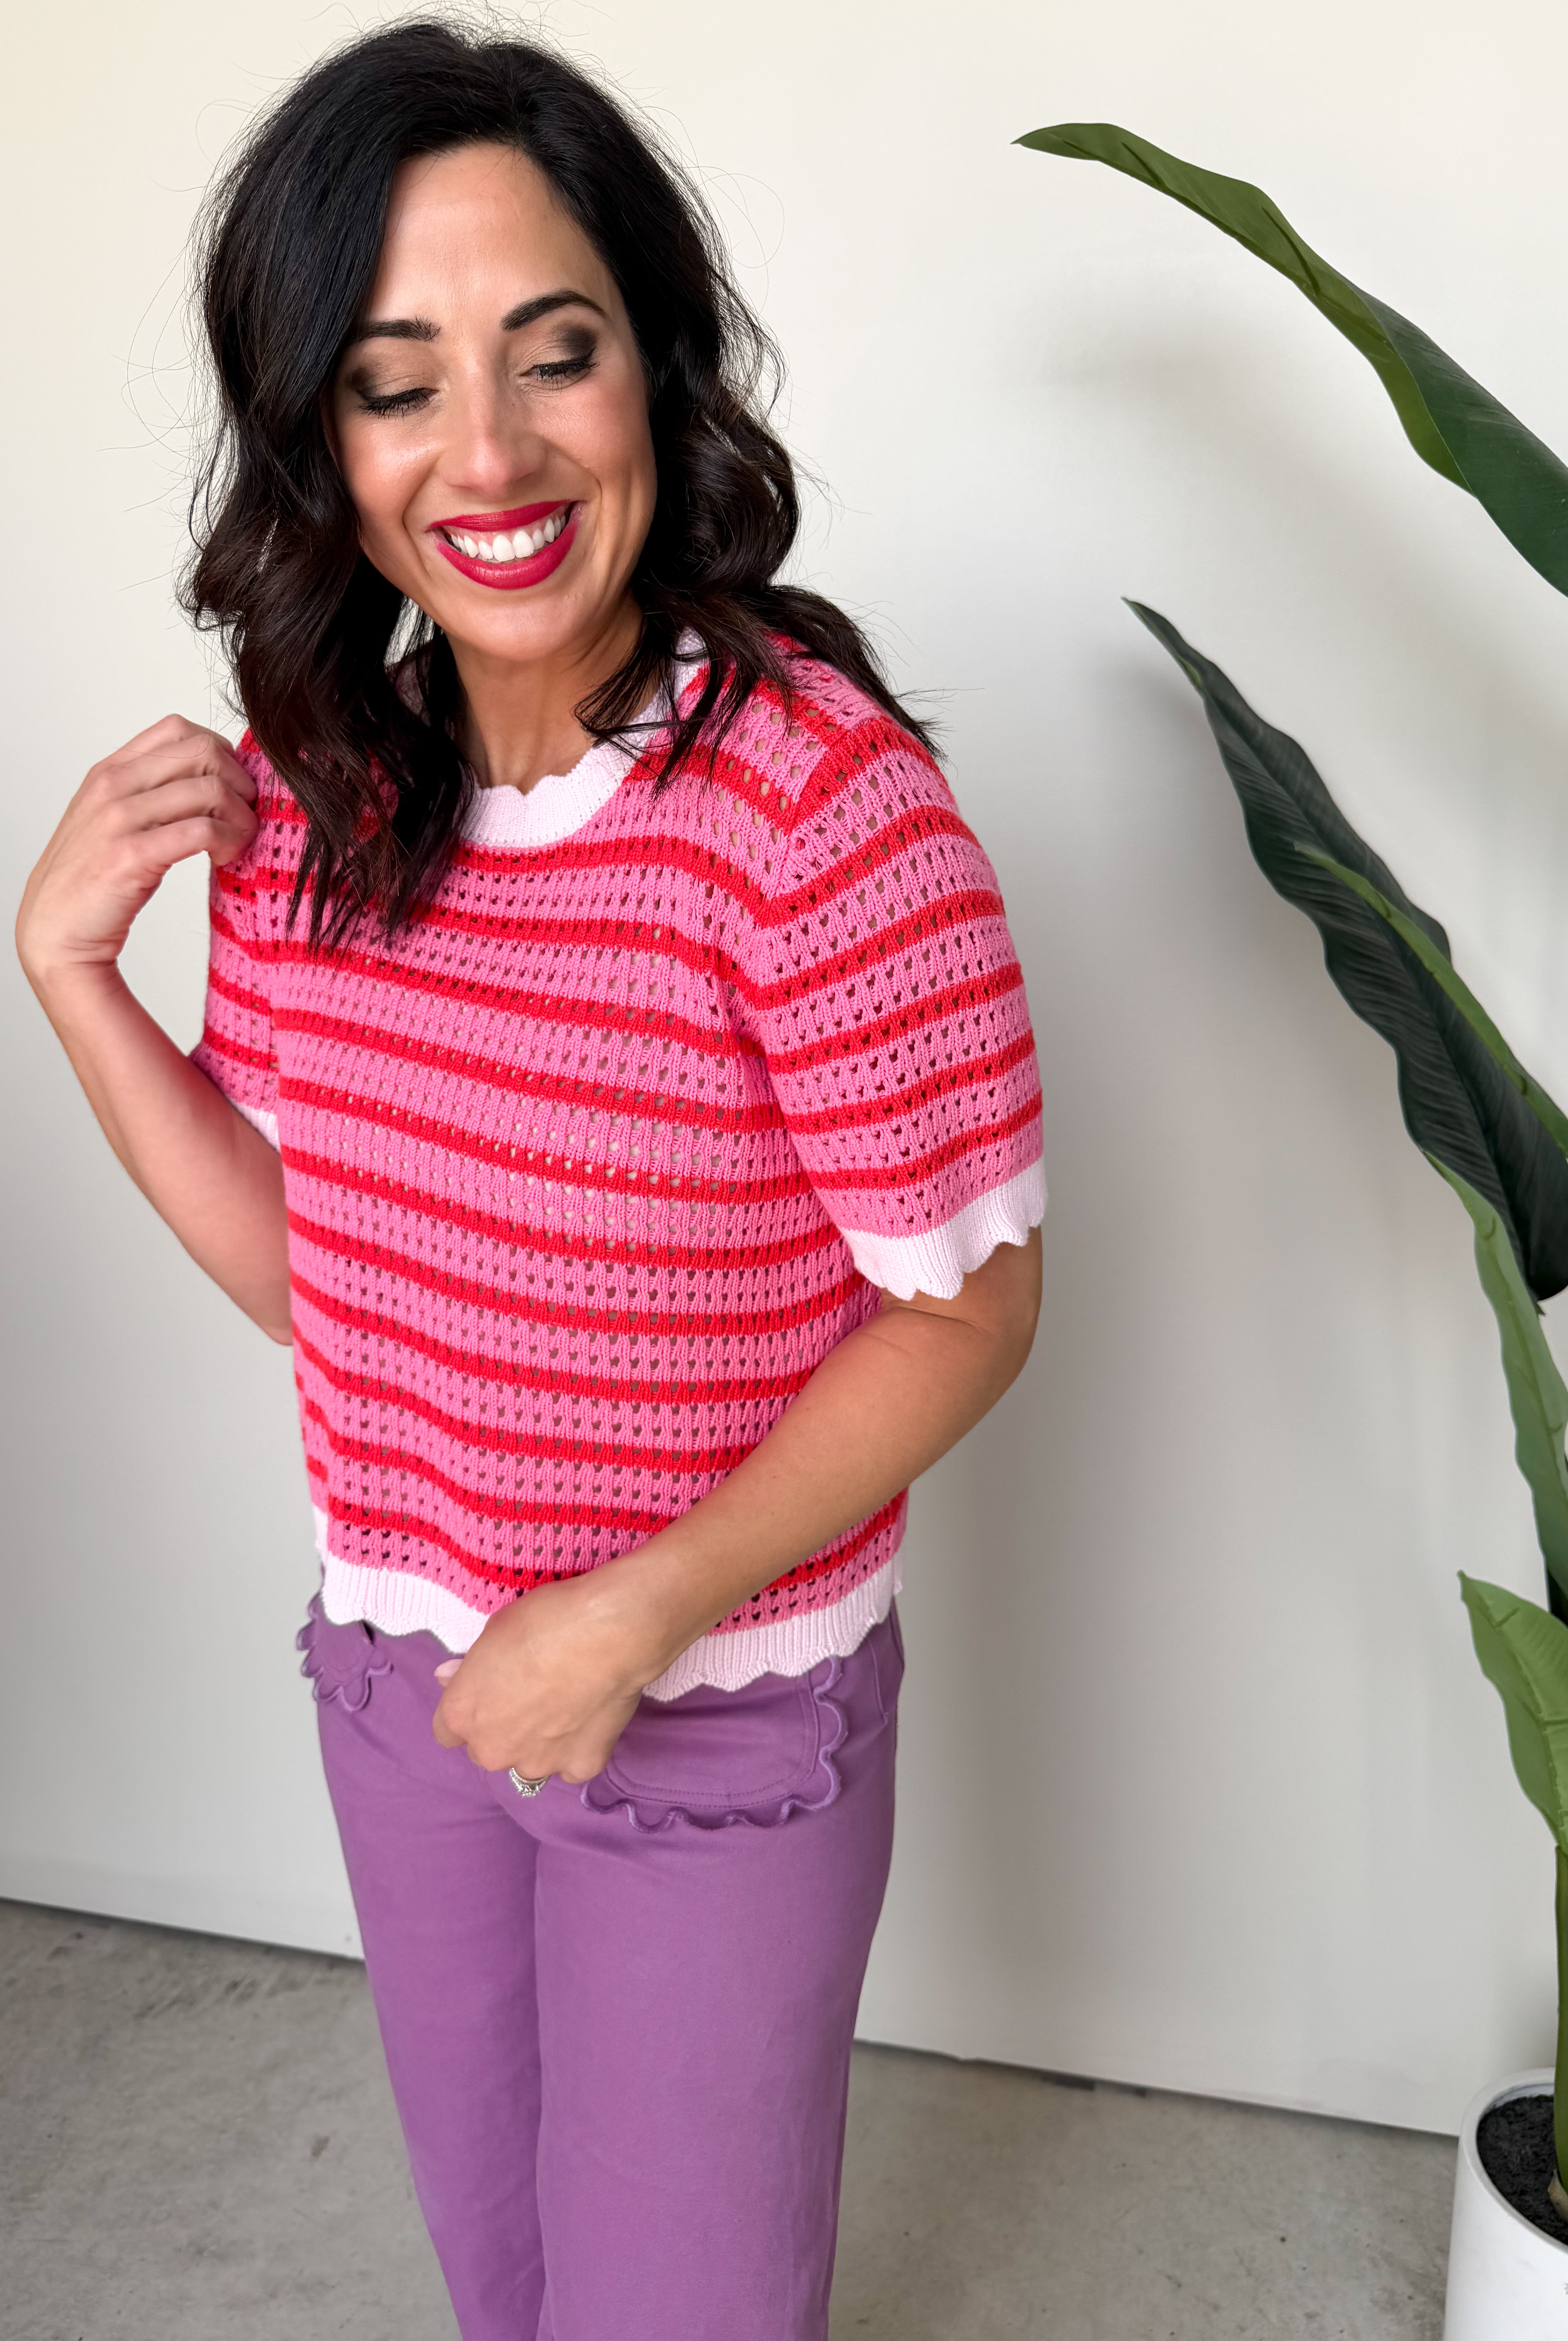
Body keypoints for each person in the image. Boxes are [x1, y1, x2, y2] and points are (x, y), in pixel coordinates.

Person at [16, 21, 1044, 2339]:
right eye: (397, 384)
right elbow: (335, 1280)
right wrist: (75, 979)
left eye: (551, 355)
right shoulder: (323, 795)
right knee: (505, 2283)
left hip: (712, 1702)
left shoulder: (818, 810)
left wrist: (633, 1615)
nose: (485, 452)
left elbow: (970, 1304)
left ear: (657, 371)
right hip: (404, 1682)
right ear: (323, 442)